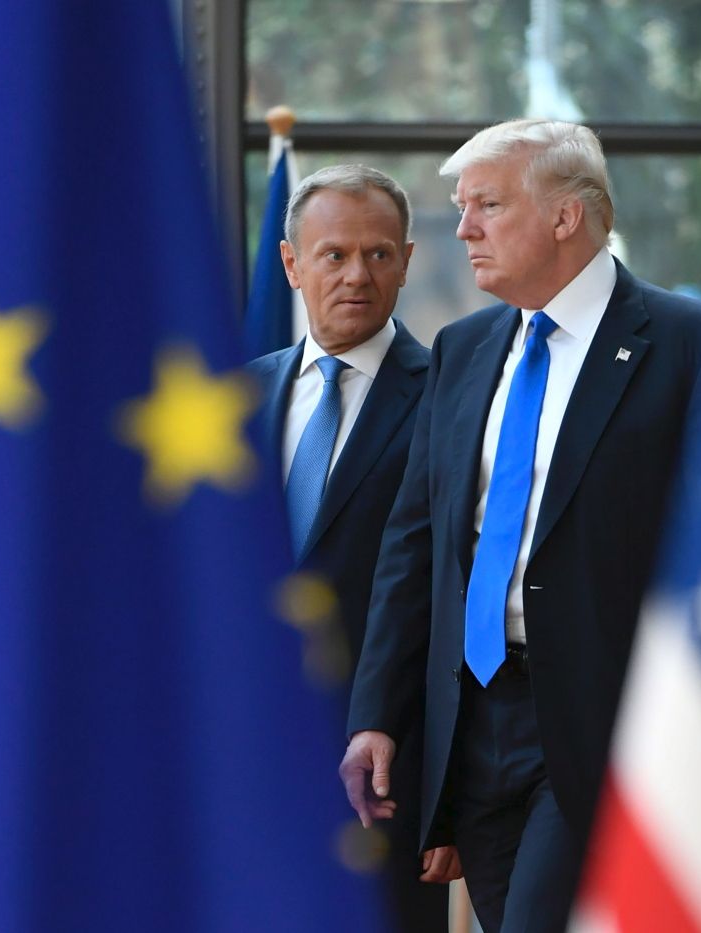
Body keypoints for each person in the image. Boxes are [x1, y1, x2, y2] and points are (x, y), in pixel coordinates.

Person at [341, 120, 701, 931]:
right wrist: (378, 714)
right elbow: (415, 547)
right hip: (472, 719)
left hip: (599, 720)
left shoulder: (691, 347)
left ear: (566, 217)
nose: (465, 228)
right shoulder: (463, 349)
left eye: (487, 204)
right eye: (461, 205)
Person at [246, 164, 458, 931]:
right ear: (291, 264)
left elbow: (455, 594)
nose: (356, 275)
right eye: (333, 255)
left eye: (377, 255)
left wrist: (449, 793)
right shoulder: (230, 399)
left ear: (406, 261)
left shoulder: (455, 397)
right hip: (244, 749)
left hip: (383, 768)